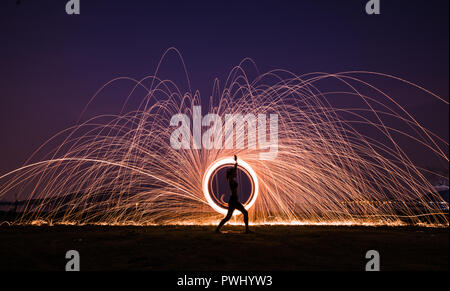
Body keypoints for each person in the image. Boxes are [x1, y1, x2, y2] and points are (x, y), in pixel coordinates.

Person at [216, 155, 251, 233]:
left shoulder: (231, 179)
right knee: (245, 212)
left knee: (228, 217)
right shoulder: (231, 180)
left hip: (234, 200)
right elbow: (233, 172)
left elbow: (234, 170)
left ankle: (217, 229)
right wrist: (235, 165)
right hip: (234, 200)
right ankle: (247, 230)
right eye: (234, 173)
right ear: (231, 174)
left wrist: (236, 162)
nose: (236, 174)